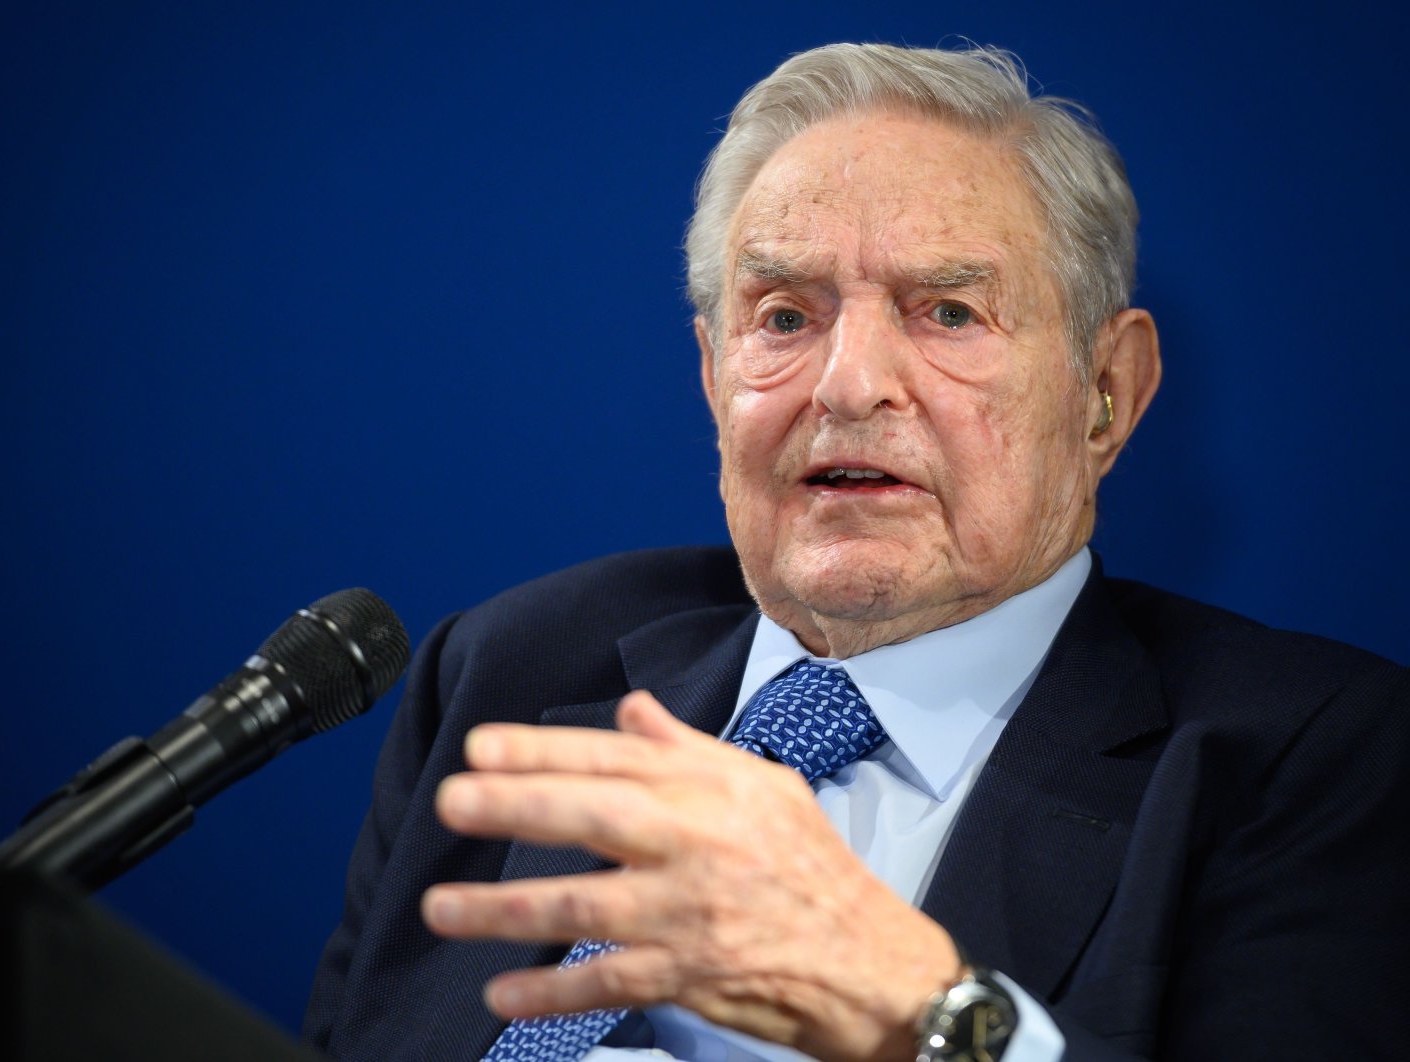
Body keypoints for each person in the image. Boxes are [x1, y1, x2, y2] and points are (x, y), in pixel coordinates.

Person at [302, 42, 1410, 1062]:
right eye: (783, 316)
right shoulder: (511, 669)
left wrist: (926, 1016)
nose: (846, 384)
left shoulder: (1314, 764)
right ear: (710, 375)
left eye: (947, 313)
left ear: (1105, 396)